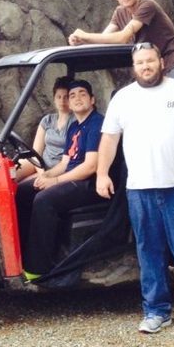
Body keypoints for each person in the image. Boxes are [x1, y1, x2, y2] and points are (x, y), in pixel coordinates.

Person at [96, 42, 174, 336]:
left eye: (150, 60)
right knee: (149, 252)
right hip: (139, 190)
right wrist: (102, 174)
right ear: (133, 67)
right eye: (140, 63)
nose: (146, 66)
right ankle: (156, 311)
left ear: (161, 62)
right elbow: (109, 139)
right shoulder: (123, 99)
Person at [15, 79, 105, 278]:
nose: (76, 98)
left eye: (82, 94)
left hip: (89, 183)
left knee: (44, 199)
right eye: (72, 96)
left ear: (92, 100)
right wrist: (47, 175)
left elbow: (90, 166)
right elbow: (64, 162)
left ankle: (38, 268)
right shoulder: (75, 128)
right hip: (73, 177)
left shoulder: (96, 123)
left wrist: (55, 182)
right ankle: (21, 253)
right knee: (22, 192)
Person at [67, 0, 174, 86]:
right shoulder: (119, 12)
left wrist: (85, 35)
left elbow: (123, 37)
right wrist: (81, 41)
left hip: (172, 60)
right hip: (151, 65)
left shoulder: (147, 5)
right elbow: (104, 38)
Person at [16, 76, 73, 181]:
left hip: (59, 169)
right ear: (54, 99)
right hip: (40, 165)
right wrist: (41, 172)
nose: (62, 101)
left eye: (66, 97)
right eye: (58, 97)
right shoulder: (47, 120)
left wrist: (45, 176)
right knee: (11, 172)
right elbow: (36, 153)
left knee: (23, 186)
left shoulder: (75, 122)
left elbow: (69, 159)